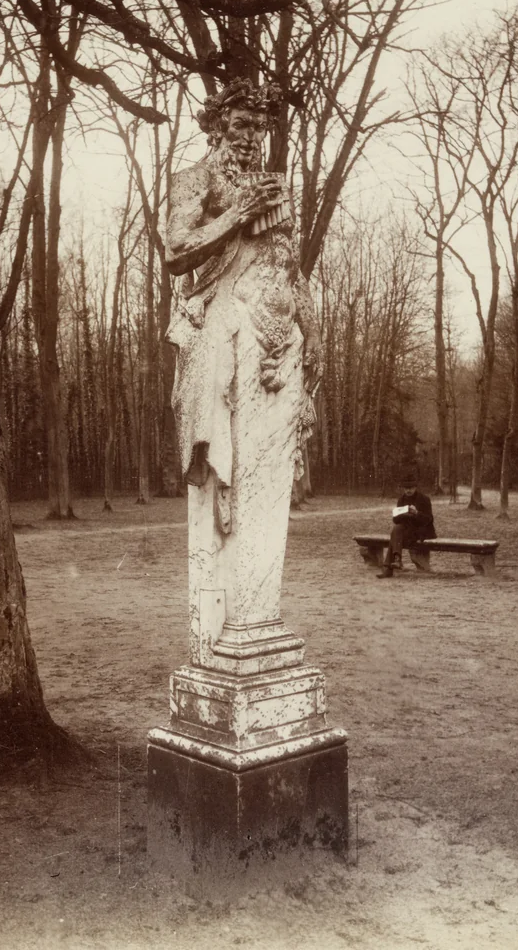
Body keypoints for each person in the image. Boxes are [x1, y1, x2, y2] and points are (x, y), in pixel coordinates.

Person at [165, 78, 320, 668]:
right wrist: (237, 213)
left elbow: (289, 263)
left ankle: (261, 622)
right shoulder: (193, 180)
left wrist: (314, 336)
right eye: (241, 122)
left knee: (269, 475)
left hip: (280, 338)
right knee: (230, 465)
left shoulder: (274, 187)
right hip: (226, 320)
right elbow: (176, 251)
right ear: (215, 124)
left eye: (260, 125)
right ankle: (230, 636)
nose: (252, 134)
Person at [378, 474, 435, 578]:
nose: (408, 491)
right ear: (403, 489)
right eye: (406, 488)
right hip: (407, 530)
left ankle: (390, 567)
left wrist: (416, 513)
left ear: (415, 487)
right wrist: (401, 514)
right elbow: (396, 520)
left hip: (421, 530)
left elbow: (429, 520)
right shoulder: (401, 500)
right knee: (396, 529)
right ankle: (397, 560)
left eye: (411, 488)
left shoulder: (424, 499)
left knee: (394, 536)